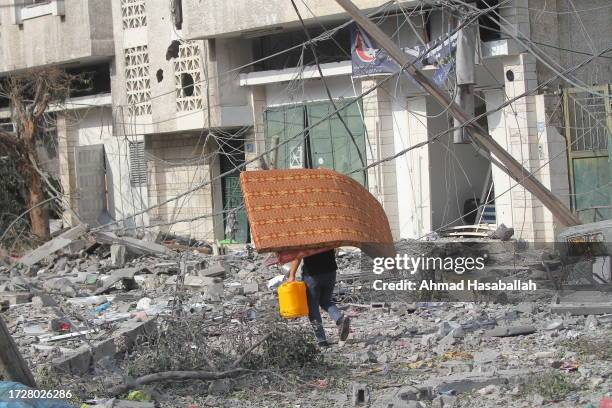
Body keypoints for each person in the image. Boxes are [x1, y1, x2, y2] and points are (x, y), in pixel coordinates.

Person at [287, 249, 350, 347]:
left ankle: (322, 341)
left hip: (312, 275)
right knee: (325, 301)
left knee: (313, 308)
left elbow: (298, 255)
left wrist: (292, 275)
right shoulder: (328, 234)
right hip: (330, 272)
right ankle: (340, 320)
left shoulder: (304, 236)